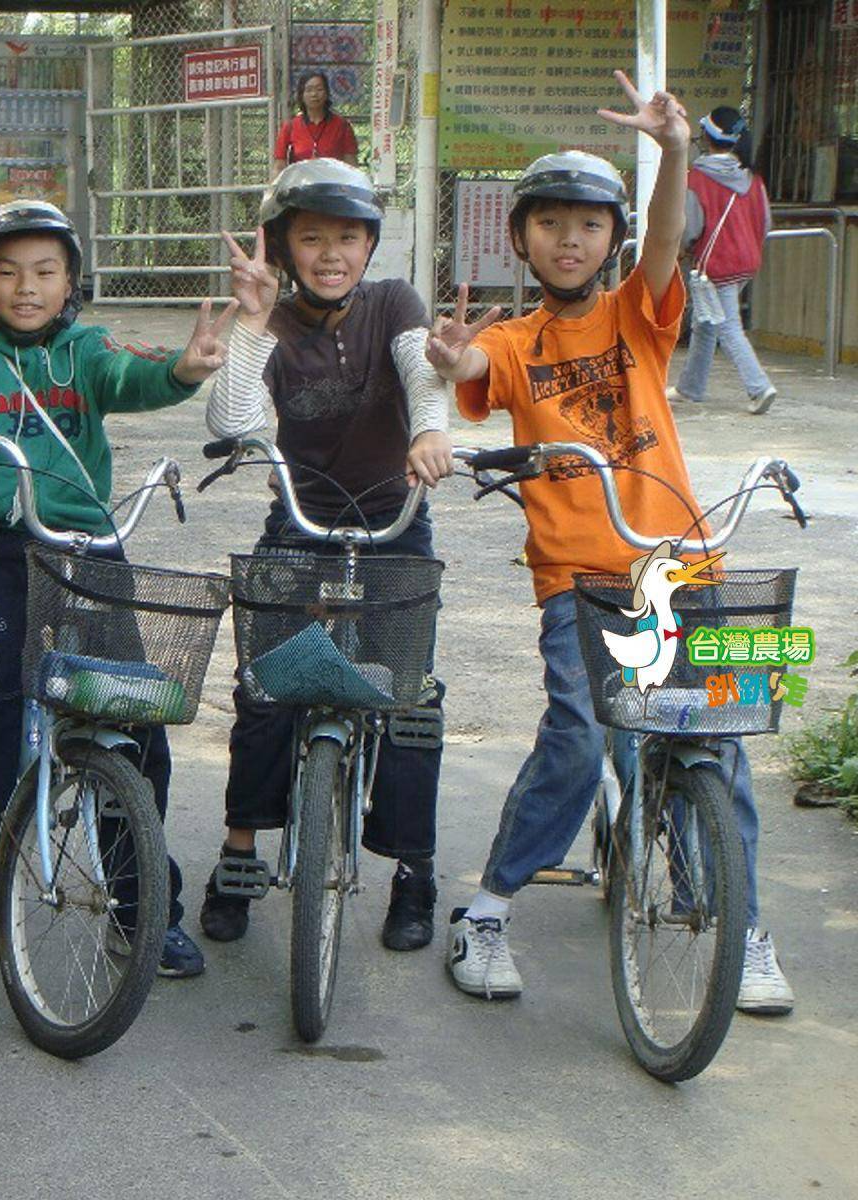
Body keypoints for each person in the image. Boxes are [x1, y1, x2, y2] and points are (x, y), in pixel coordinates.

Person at [426, 72, 794, 1015]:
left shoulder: (641, 311)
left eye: (588, 225)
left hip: (685, 563)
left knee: (718, 747)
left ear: (612, 239)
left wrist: (674, 154)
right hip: (580, 579)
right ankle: (489, 910)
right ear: (521, 238)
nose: (569, 239)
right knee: (583, 733)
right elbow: (472, 368)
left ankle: (741, 930)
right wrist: (449, 355)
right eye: (549, 224)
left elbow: (670, 241)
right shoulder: (514, 341)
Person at [0, 199, 232, 992]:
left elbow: (135, 376)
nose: (26, 287)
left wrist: (186, 368)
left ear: (72, 281)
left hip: (84, 548)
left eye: (45, 271)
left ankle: (142, 904)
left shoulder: (86, 351)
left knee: (132, 719)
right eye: (8, 272)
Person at [197, 159, 453, 952]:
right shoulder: (269, 318)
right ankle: (240, 850)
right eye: (312, 238)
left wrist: (429, 430)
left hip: (394, 523)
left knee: (408, 703)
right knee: (266, 691)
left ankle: (413, 869)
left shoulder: (394, 304)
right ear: (283, 246)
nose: (332, 253)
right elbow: (234, 419)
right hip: (299, 527)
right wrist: (248, 324)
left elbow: (423, 373)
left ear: (370, 244)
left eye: (348, 236)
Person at [668, 105, 778, 415]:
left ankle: (759, 387)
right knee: (707, 322)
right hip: (746, 262)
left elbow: (691, 228)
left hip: (715, 265)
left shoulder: (698, 178)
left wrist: (683, 250)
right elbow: (765, 222)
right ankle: (691, 387)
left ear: (707, 136)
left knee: (728, 326)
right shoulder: (752, 178)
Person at [271, 71, 360, 177]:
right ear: (301, 95)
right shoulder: (290, 127)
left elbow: (351, 166)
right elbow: (279, 166)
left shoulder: (342, 126)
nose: (314, 94)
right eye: (309, 90)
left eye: (319, 89)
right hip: (300, 186)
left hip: (332, 185)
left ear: (326, 94)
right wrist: (272, 189)